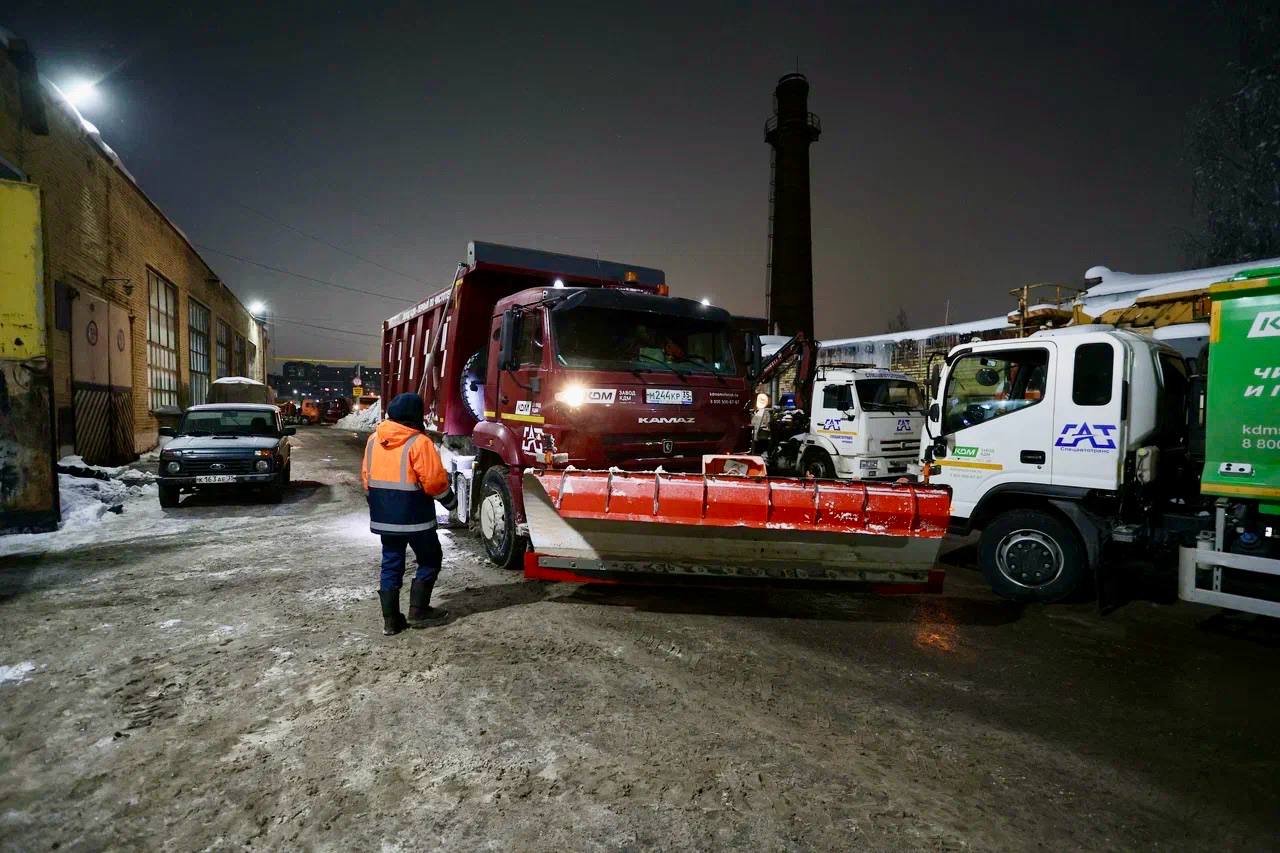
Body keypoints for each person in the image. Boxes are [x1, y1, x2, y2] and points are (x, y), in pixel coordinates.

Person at [361, 392, 457, 635]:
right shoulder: (419, 442)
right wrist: (451, 502)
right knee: (430, 558)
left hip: (385, 516)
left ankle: (391, 621)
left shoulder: (374, 439)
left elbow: (366, 477)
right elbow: (434, 482)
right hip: (416, 517)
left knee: (391, 564)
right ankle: (419, 610)